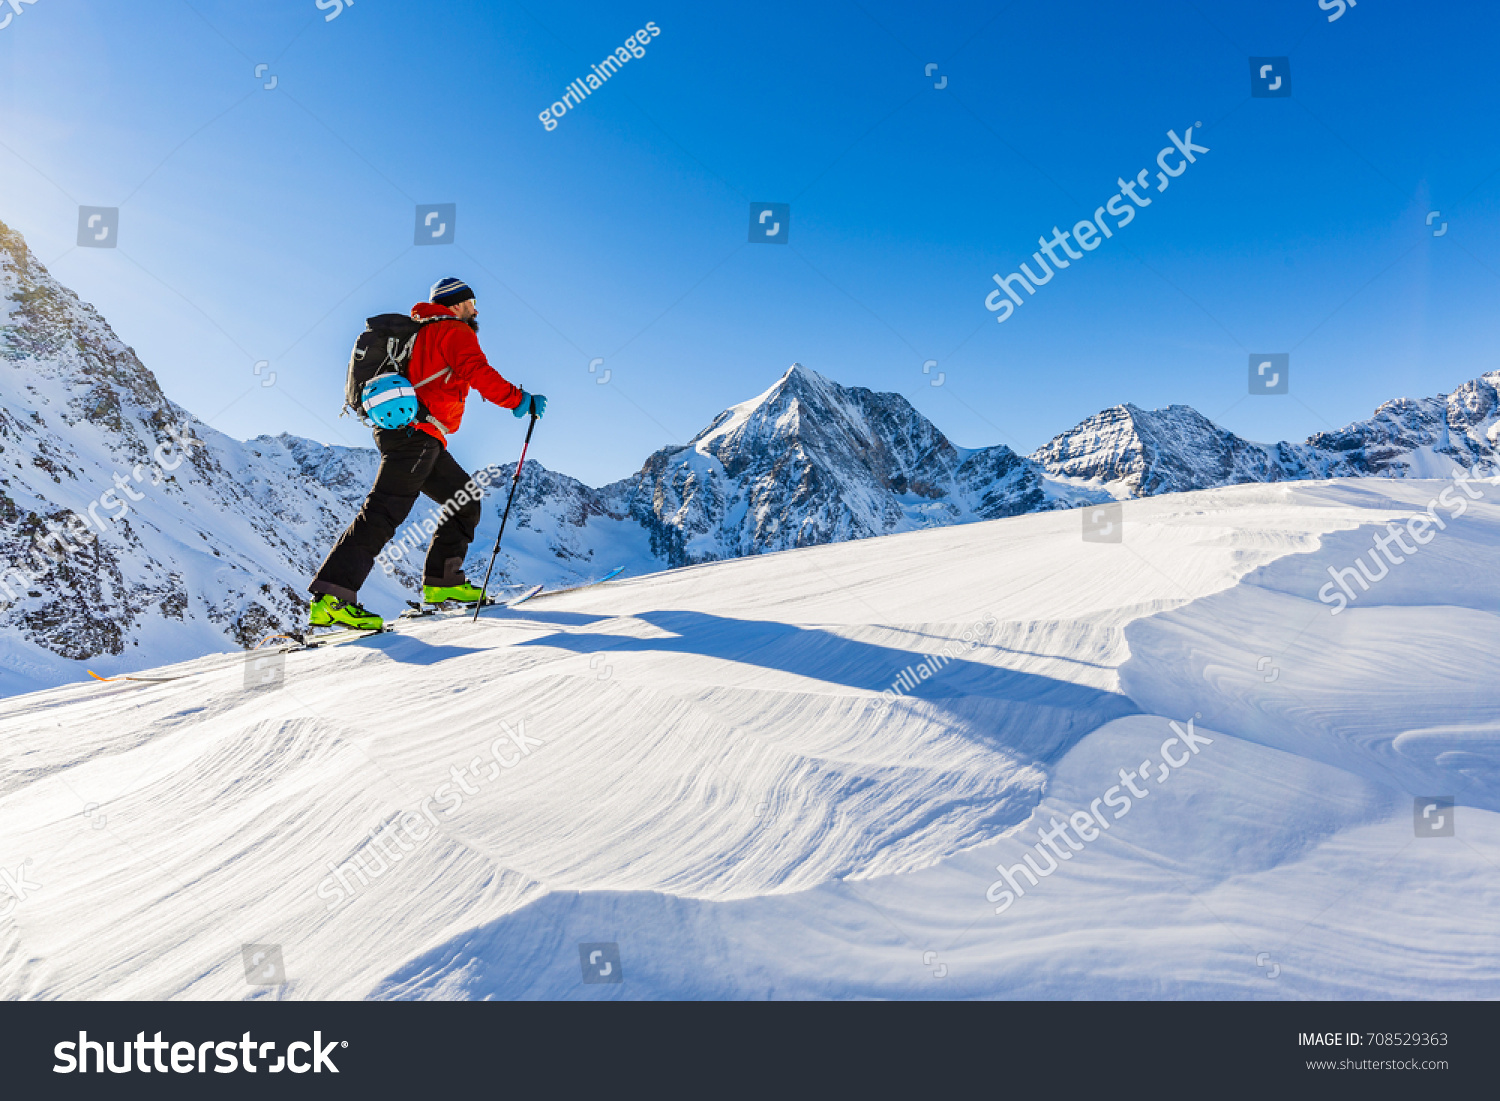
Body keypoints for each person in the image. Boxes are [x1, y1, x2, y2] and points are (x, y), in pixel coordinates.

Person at [308, 277, 547, 630]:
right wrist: (519, 399)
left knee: (465, 498)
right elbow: (477, 372)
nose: (475, 309)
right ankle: (332, 598)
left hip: (418, 434)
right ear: (454, 305)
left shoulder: (425, 332)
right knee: (383, 511)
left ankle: (443, 583)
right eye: (470, 302)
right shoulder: (453, 331)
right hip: (416, 436)